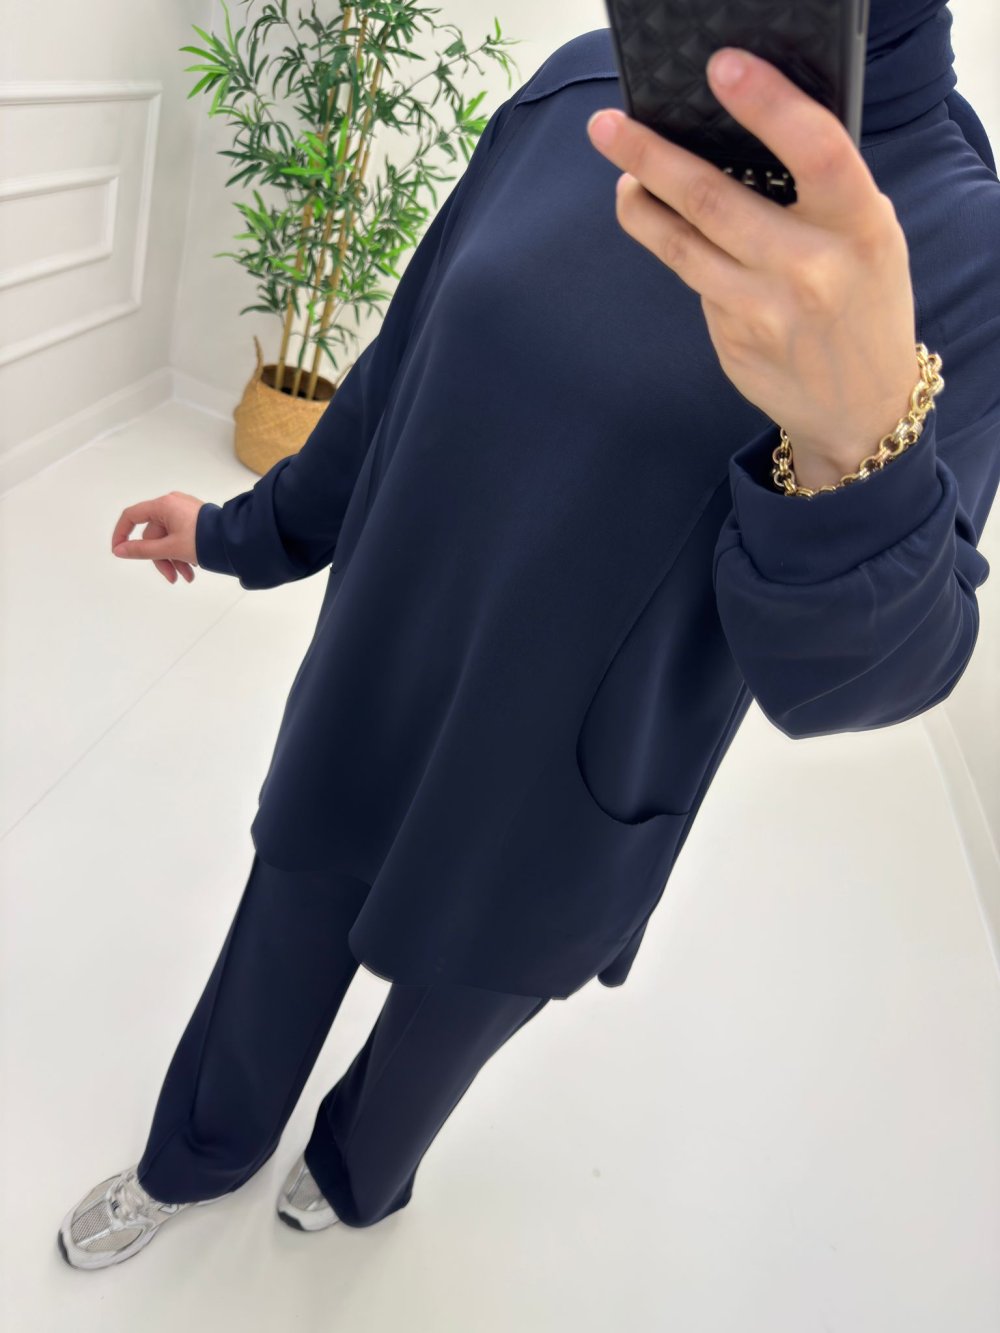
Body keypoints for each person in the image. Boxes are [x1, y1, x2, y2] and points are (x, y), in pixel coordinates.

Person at [60, 3, 1000, 1270]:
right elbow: (395, 377)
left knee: (443, 1027)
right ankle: (199, 1152)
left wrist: (853, 452)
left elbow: (864, 672)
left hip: (571, 789)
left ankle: (353, 1173)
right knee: (277, 943)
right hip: (381, 672)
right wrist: (239, 532)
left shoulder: (953, 240)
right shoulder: (577, 93)